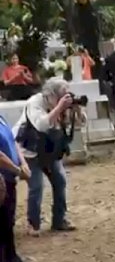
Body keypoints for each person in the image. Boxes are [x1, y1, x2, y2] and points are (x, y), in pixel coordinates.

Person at [13, 79, 78, 235]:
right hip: (29, 151)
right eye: (61, 96)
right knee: (36, 186)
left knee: (60, 181)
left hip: (49, 151)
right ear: (50, 95)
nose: (64, 99)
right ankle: (33, 224)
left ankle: (59, 220)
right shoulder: (35, 103)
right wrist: (59, 108)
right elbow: (41, 125)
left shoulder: (62, 106)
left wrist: (76, 110)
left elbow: (78, 125)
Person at [0, 113, 38, 262]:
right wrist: (17, 170)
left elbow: (12, 141)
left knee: (8, 223)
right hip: (2, 177)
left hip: (9, 178)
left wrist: (23, 163)